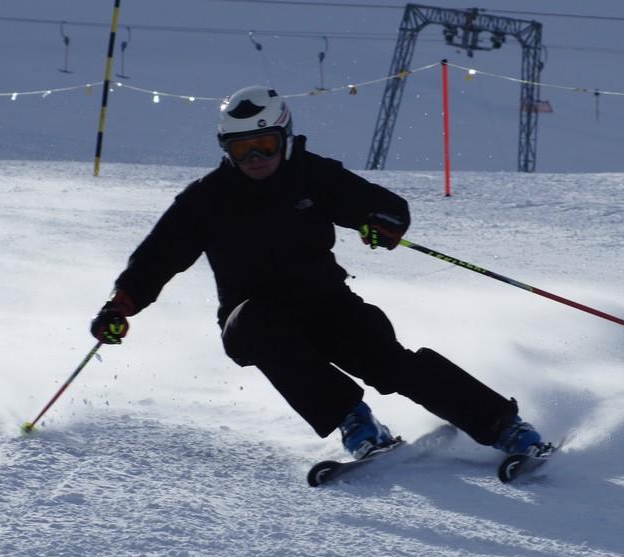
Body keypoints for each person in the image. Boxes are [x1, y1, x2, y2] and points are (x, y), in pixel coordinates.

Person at [91, 85, 544, 459]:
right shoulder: (205, 200)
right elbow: (157, 257)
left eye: (264, 145)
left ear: (285, 137)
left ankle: (503, 426)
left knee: (390, 364)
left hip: (326, 304)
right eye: (241, 149)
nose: (255, 159)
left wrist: (383, 221)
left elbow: (379, 204)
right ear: (225, 151)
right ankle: (354, 420)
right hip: (254, 318)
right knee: (255, 323)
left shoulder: (311, 175)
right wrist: (122, 304)